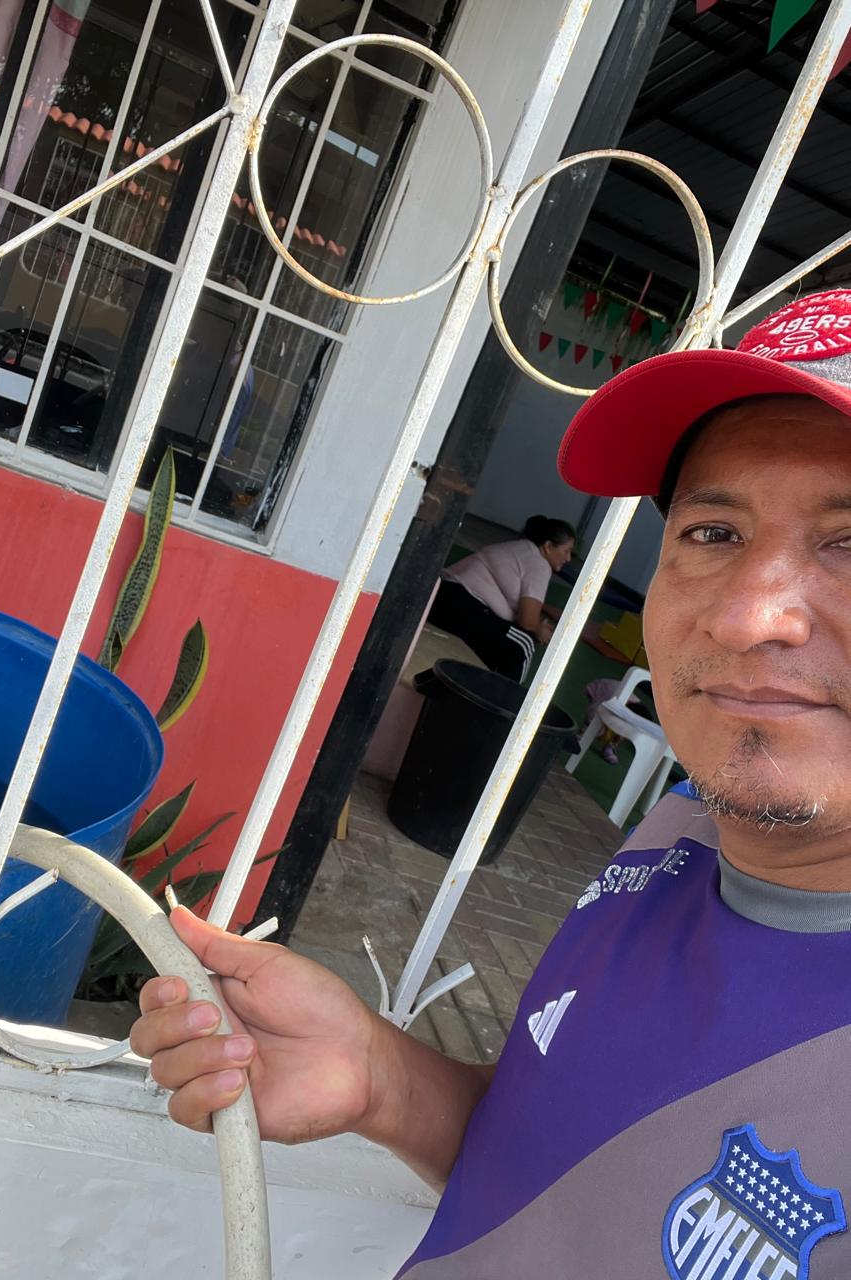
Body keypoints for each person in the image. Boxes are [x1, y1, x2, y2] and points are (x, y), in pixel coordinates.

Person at [130, 288, 851, 1279]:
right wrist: (382, 1075)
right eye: (712, 532)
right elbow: (565, 1174)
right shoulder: (675, 833)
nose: (742, 616)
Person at [425, 513, 575, 682]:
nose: (568, 558)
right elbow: (527, 621)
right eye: (566, 551)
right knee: (522, 645)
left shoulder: (521, 548)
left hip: (441, 595)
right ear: (548, 546)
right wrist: (539, 630)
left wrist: (536, 624)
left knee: (507, 636)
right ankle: (505, 697)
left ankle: (479, 685)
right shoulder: (539, 564)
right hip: (459, 603)